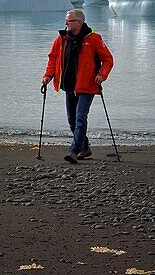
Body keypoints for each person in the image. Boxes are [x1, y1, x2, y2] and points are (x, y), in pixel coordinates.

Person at [41, 9, 114, 164]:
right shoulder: (62, 38)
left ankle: (74, 151)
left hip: (87, 85)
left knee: (80, 117)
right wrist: (48, 76)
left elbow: (107, 59)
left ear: (79, 22)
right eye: (66, 20)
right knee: (72, 121)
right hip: (68, 85)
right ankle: (85, 148)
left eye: (69, 20)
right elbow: (53, 58)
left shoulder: (93, 38)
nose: (66, 23)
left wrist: (102, 75)